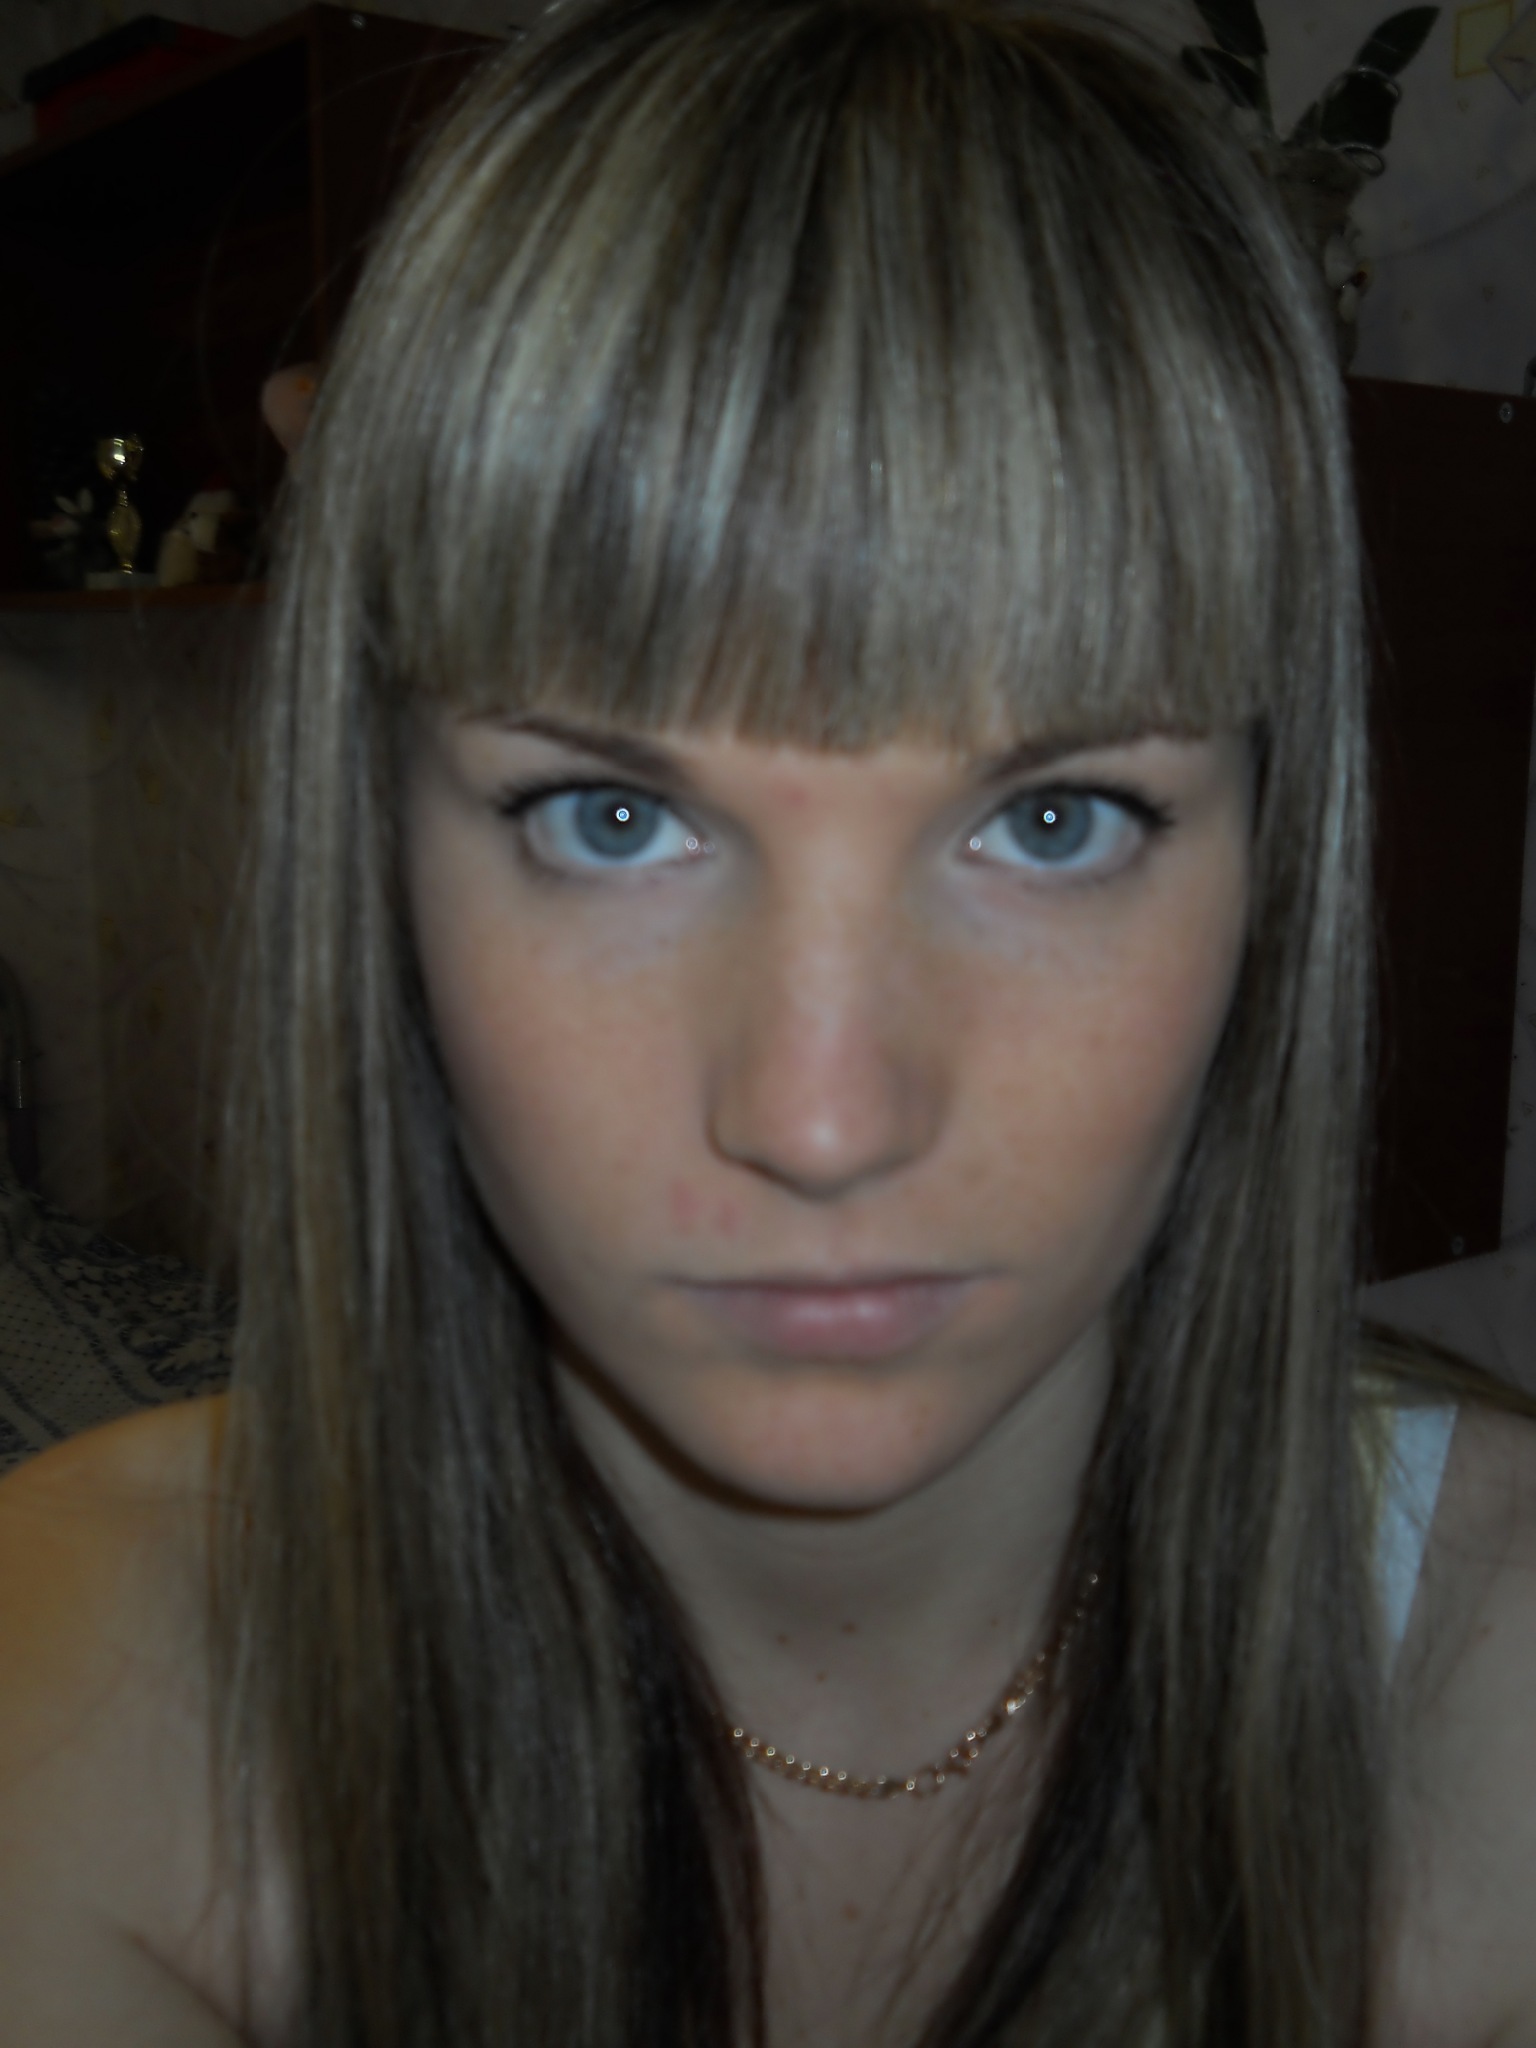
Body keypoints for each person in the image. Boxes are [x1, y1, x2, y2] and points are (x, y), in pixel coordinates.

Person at [3, 3, 1536, 2043]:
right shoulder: (78, 1676)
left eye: (1055, 821)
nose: (823, 1118)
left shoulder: (1501, 1694)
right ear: (378, 852)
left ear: (1275, 863)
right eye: (611, 817)